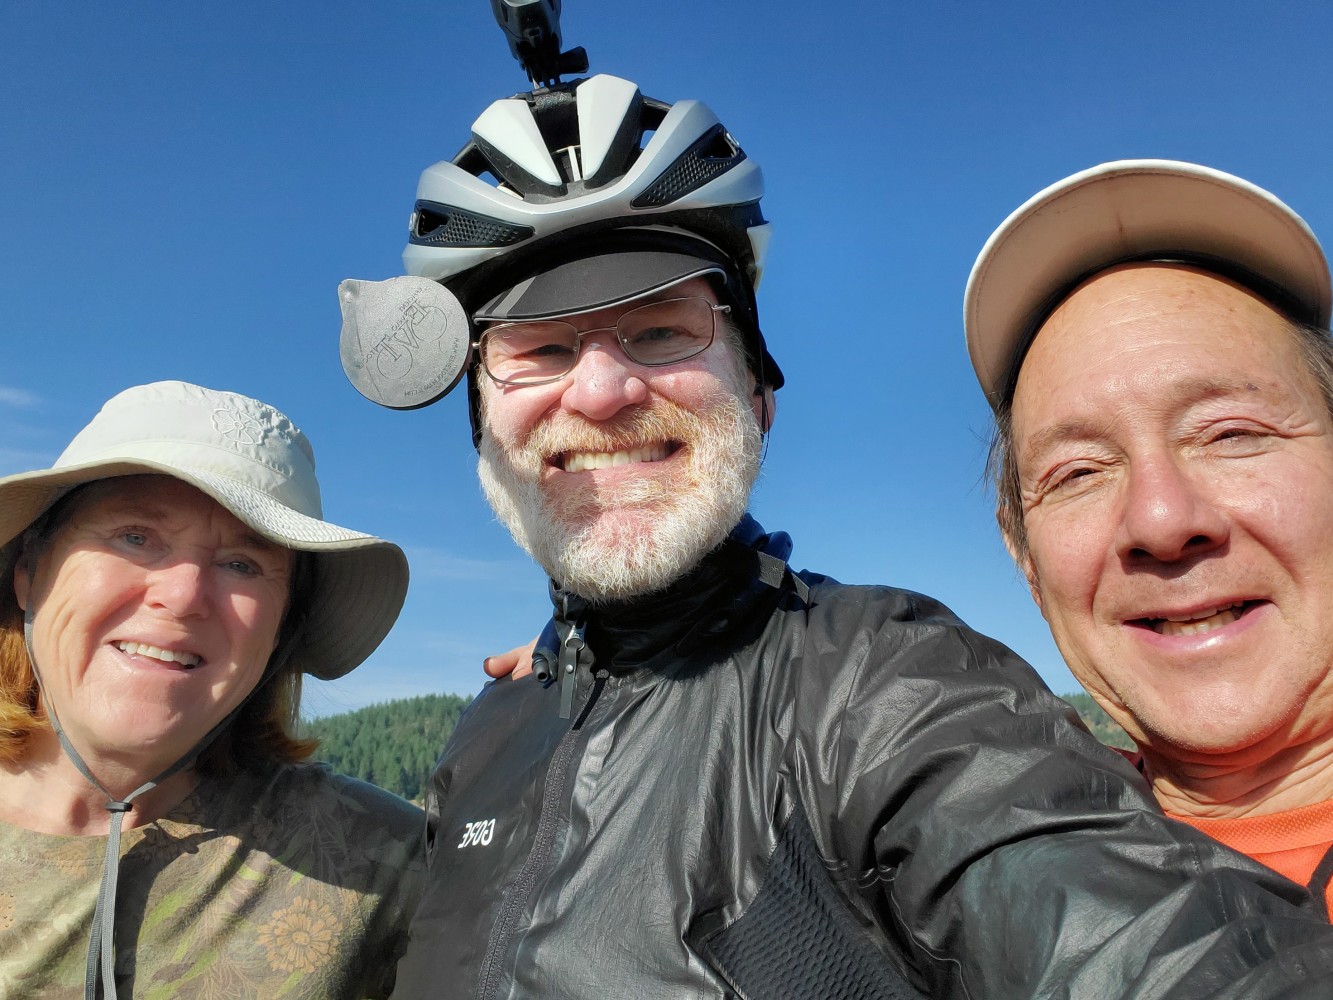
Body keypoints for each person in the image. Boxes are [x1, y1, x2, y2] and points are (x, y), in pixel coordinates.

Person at [352, 74, 1333, 999]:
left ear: (759, 396)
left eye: (661, 330)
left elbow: (1129, 934)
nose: (603, 390)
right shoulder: (487, 735)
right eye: (539, 347)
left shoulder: (884, 688)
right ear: (481, 425)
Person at [965, 159, 1333, 918]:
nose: (1162, 522)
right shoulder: (958, 882)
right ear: (1025, 560)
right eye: (1077, 473)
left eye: (1230, 434)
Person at [0, 380, 422, 999]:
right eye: (135, 536)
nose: (183, 596)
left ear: (281, 630)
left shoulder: (386, 861)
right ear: (28, 574)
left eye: (242, 565)